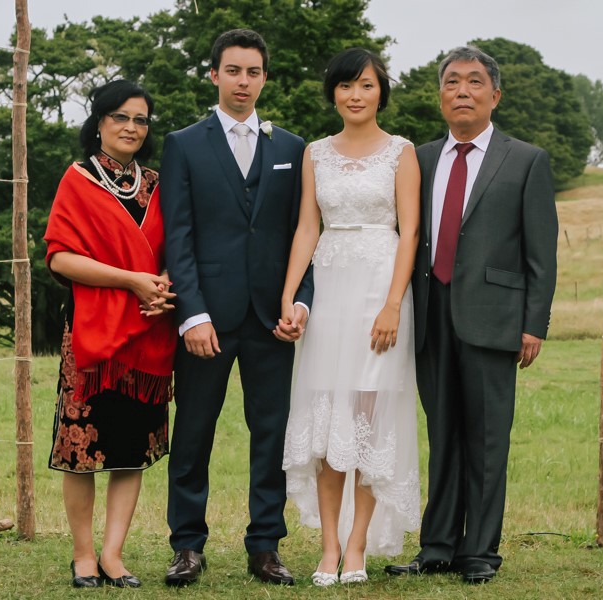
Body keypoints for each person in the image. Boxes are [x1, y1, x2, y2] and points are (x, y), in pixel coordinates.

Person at [385, 45, 558, 584]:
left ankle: (479, 551)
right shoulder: (421, 157)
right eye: (452, 82)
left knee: (486, 438)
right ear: (440, 97)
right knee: (443, 434)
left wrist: (534, 323)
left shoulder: (526, 160)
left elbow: (541, 251)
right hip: (430, 313)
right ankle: (436, 546)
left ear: (495, 95)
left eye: (475, 81)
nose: (463, 90)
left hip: (494, 317)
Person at [158, 28, 313, 587]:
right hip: (208, 320)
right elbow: (177, 235)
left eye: (252, 72)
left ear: (264, 78)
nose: (242, 82)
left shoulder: (293, 149)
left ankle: (265, 545)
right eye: (232, 71)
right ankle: (187, 545)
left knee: (270, 433)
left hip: (272, 319)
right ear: (214, 75)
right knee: (194, 431)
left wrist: (301, 302)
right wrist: (191, 314)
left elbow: (304, 234)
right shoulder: (184, 144)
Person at [280, 48, 421, 587]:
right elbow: (306, 229)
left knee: (367, 417)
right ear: (333, 93)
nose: (354, 95)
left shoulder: (401, 152)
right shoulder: (316, 153)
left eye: (365, 85)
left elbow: (409, 232)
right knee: (326, 419)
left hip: (380, 289)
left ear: (380, 90)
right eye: (344, 86)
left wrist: (391, 303)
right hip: (330, 291)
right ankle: (328, 547)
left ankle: (359, 545)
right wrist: (290, 295)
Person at [44, 80, 177, 589]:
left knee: (132, 448)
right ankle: (82, 555)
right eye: (120, 117)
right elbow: (60, 256)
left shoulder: (157, 184)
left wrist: (164, 287)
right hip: (93, 338)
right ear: (98, 122)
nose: (131, 127)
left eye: (141, 120)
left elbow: (171, 254)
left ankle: (114, 555)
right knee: (81, 452)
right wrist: (131, 280)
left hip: (148, 334)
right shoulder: (78, 180)